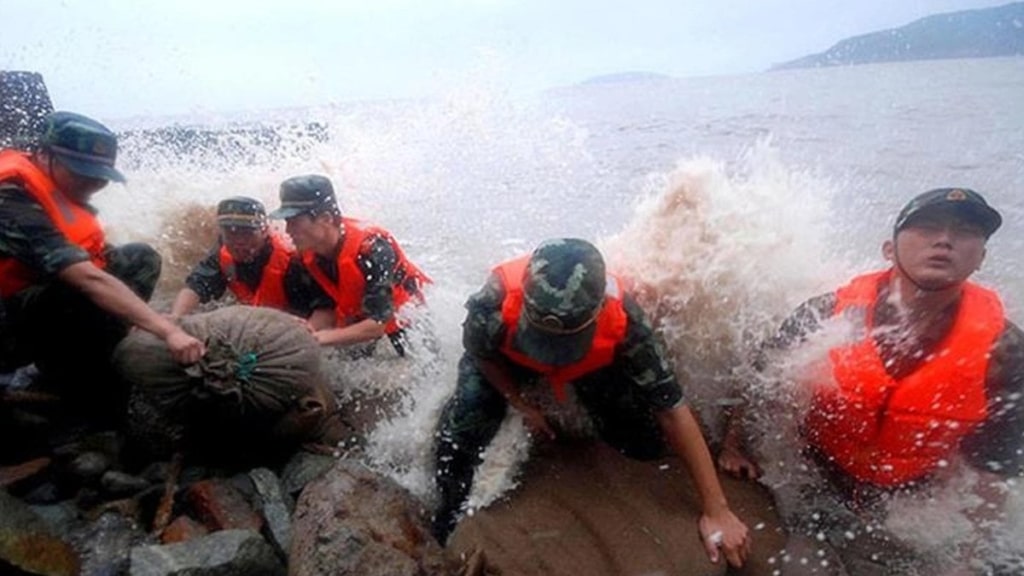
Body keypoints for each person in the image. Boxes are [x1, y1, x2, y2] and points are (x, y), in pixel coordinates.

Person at [718, 188, 1024, 574]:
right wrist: (735, 445)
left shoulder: (1004, 350)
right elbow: (765, 380)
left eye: (964, 232)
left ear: (980, 257)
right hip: (820, 480)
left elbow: (993, 468)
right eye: (927, 228)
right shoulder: (826, 316)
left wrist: (968, 558)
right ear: (889, 250)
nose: (944, 240)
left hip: (914, 498)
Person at [432, 238, 751, 567]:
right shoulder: (493, 300)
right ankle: (445, 513)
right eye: (546, 339)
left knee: (644, 444)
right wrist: (521, 403)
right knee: (463, 428)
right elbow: (483, 355)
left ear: (599, 309)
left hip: (591, 364)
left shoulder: (628, 322)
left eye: (562, 342)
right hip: (513, 359)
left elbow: (671, 409)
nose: (552, 351)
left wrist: (718, 510)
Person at [0, 111, 204, 412]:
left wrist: (136, 319)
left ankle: (88, 356)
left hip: (31, 297)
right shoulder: (11, 197)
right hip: (6, 322)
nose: (92, 182)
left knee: (139, 259)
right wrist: (167, 331)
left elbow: (97, 260)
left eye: (100, 175)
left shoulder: (52, 188)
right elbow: (87, 278)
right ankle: (84, 391)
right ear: (43, 154)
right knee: (82, 292)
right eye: (80, 171)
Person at [268, 174, 430, 356]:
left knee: (421, 376)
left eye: (295, 222)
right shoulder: (307, 255)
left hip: (408, 323)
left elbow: (378, 323)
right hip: (358, 323)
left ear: (326, 218)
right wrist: (306, 332)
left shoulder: (373, 249)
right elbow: (326, 306)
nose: (288, 231)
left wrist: (318, 339)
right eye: (287, 222)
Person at [168, 196, 333, 320]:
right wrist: (176, 318)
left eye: (247, 233)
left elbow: (325, 308)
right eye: (231, 233)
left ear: (264, 231)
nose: (239, 242)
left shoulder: (293, 261)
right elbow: (196, 286)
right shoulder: (222, 253)